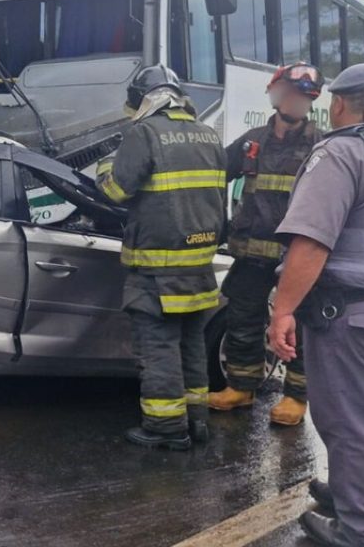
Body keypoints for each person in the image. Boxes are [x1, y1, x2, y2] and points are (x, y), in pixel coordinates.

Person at [269, 63, 364, 547]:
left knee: (356, 427)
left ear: (341, 104)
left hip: (357, 317)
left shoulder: (342, 152)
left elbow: (311, 241)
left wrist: (284, 309)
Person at [97, 64, 227, 450]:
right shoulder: (209, 135)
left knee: (158, 349)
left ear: (141, 100)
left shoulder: (144, 133)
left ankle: (166, 428)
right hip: (199, 267)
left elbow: (117, 191)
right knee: (191, 345)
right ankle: (196, 420)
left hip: (156, 270)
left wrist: (106, 166)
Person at [209, 63, 324, 426]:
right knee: (242, 318)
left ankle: (296, 396)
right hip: (250, 254)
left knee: (300, 326)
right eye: (291, 94)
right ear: (275, 94)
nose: (297, 102)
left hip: (297, 257)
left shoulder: (322, 146)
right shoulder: (251, 142)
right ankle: (241, 387)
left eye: (305, 97)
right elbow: (211, 175)